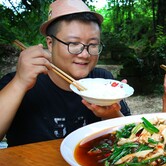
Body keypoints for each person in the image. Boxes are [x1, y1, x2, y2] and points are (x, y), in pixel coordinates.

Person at [0, 0, 131, 147]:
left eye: (93, 45)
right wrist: (19, 83)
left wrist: (111, 114)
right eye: (74, 43)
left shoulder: (104, 81)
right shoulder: (18, 82)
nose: (85, 54)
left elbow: (131, 140)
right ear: (50, 43)